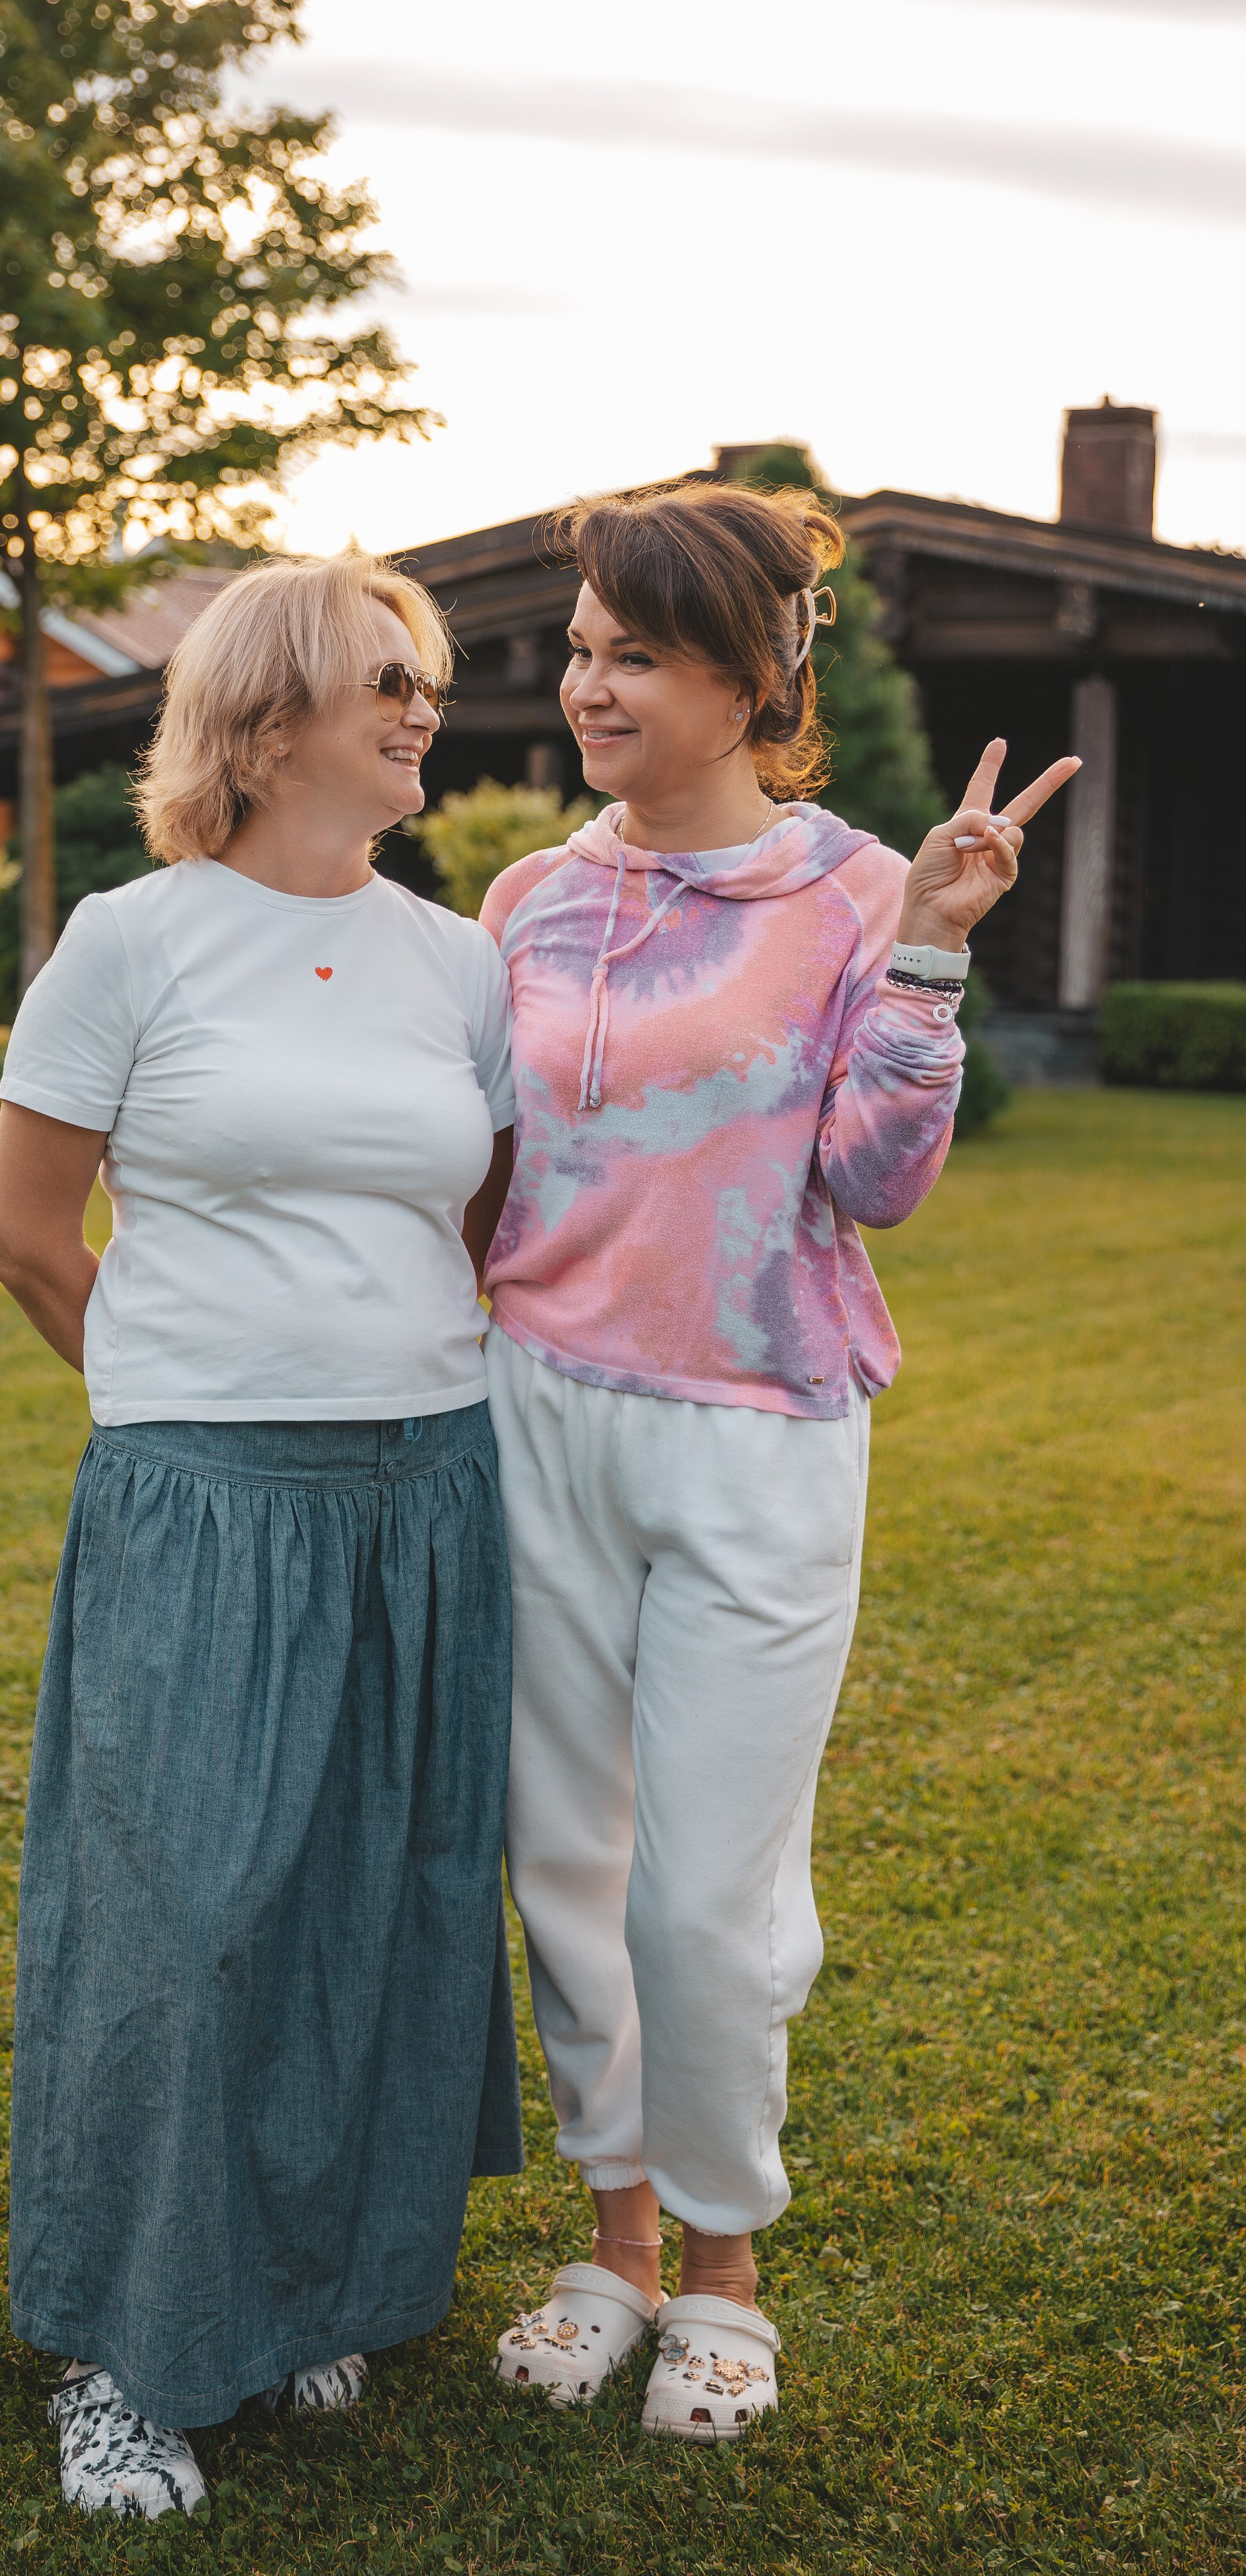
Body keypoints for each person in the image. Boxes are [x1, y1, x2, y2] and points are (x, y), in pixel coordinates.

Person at [480, 477, 1078, 2443]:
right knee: (568, 1871)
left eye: (636, 656)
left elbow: (877, 1182)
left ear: (751, 684)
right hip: (535, 1415)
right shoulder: (530, 899)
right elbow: (482, 1170)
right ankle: (617, 2248)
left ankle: (727, 2276)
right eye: (582, 651)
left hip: (757, 1433)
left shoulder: (857, 893)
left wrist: (933, 957)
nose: (589, 687)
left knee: (704, 1899)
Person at [0, 552, 523, 2523]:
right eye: (386, 678)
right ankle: (121, 2356)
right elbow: (29, 1239)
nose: (421, 709)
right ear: (271, 712)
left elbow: (473, 1219)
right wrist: (185, 1405)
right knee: (185, 1919)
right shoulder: (129, 942)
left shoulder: (453, 960)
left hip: (428, 1480)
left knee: (381, 1900)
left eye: (427, 680)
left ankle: (316, 2288)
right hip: (205, 1494)